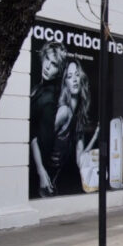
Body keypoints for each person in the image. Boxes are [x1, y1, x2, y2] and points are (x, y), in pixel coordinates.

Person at [49, 58, 97, 196]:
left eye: (77, 75)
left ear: (81, 78)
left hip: (69, 178)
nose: (74, 79)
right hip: (55, 178)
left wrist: (95, 136)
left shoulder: (79, 117)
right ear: (65, 83)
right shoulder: (64, 111)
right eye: (70, 77)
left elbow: (80, 158)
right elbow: (43, 140)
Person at [30, 42, 66, 197]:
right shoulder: (38, 88)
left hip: (32, 164)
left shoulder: (48, 99)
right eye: (47, 59)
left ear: (58, 71)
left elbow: (42, 140)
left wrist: (40, 170)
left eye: (54, 65)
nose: (47, 67)